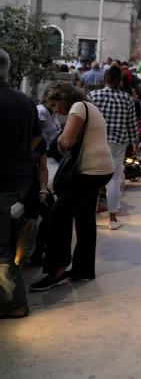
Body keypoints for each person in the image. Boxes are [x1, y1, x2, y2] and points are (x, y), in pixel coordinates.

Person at [33, 82, 114, 291]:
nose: (55, 110)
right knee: (84, 218)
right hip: (101, 169)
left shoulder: (78, 107)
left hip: (91, 171)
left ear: (63, 98)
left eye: (54, 104)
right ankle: (83, 269)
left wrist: (59, 138)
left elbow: (66, 141)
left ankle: (56, 269)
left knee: (58, 214)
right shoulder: (88, 105)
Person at [0, 49, 42, 317]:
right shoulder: (24, 101)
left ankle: (14, 303)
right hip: (19, 180)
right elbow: (37, 140)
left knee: (1, 247)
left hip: (2, 183)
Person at [88, 66, 139, 230]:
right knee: (114, 180)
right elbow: (131, 124)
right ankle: (113, 219)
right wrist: (135, 143)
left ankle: (90, 218)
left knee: (93, 180)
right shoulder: (127, 98)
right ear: (120, 81)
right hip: (118, 143)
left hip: (96, 142)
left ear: (105, 79)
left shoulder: (93, 96)